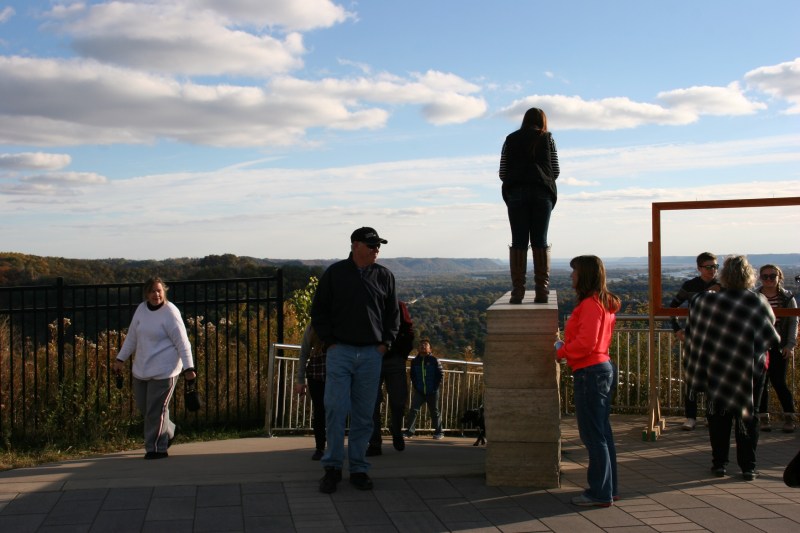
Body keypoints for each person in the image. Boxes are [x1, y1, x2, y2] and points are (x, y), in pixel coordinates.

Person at [310, 226, 400, 493]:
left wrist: (385, 345)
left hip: (372, 354)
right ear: (355, 245)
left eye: (378, 246)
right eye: (371, 245)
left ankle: (359, 469)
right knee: (336, 410)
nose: (376, 250)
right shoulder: (335, 274)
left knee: (363, 416)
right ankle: (333, 468)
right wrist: (331, 342)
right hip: (340, 352)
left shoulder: (384, 276)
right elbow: (319, 312)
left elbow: (392, 316)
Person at [684, 255, 779, 481]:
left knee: (718, 415)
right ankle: (748, 467)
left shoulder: (708, 301)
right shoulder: (756, 301)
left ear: (724, 275)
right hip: (749, 367)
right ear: (750, 275)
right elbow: (770, 334)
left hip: (717, 366)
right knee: (749, 415)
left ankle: (719, 464)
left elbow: (694, 316)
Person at [556, 255, 621, 507]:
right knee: (603, 433)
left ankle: (599, 493)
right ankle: (609, 488)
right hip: (600, 368)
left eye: (575, 272)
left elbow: (587, 343)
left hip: (591, 371)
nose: (571, 276)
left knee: (594, 436)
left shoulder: (591, 305)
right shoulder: (601, 303)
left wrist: (560, 351)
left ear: (585, 275)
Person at [113, 277, 196, 460]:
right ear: (146, 294)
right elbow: (132, 338)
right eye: (152, 291)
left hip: (165, 370)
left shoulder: (170, 312)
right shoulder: (141, 310)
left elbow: (183, 343)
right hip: (142, 368)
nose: (156, 295)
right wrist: (120, 359)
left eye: (159, 291)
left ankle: (156, 448)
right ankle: (171, 430)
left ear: (164, 291)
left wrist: (189, 368)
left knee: (156, 411)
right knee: (146, 409)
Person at [498, 107, 560, 304]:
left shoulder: (511, 139)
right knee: (540, 241)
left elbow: (502, 172)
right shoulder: (547, 137)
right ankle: (542, 290)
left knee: (519, 242)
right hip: (542, 193)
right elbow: (555, 170)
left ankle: (518, 292)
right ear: (542, 120)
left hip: (516, 193)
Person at [667, 252, 721, 430]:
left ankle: (711, 415)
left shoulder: (723, 285)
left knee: (714, 379)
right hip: (694, 337)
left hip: (717, 339)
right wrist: (677, 330)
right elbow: (672, 307)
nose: (712, 270)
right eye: (708, 267)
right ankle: (690, 417)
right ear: (699, 268)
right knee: (691, 378)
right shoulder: (690, 285)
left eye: (714, 266)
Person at [367, 300, 414, 456]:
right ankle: (374, 443)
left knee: (398, 401)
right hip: (374, 359)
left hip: (394, 360)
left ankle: (396, 429)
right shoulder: (369, 304)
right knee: (372, 403)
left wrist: (402, 354)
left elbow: (408, 328)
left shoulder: (398, 305)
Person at [756, 264, 797, 433]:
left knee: (779, 383)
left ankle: (789, 417)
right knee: (761, 383)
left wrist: (790, 345)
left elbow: (794, 322)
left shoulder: (788, 298)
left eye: (772, 276)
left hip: (780, 347)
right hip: (759, 347)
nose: (769, 279)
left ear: (779, 277)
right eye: (765, 276)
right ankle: (763, 418)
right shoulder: (755, 296)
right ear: (760, 278)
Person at [294, 323, 327, 460]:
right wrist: (300, 379)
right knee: (320, 410)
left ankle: (330, 446)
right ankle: (320, 446)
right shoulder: (312, 327)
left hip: (332, 372)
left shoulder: (338, 320)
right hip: (316, 373)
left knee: (333, 410)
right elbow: (304, 353)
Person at [403, 339, 445, 439]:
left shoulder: (434, 360)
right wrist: (416, 386)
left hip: (433, 391)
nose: (423, 346)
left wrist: (435, 387)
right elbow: (412, 375)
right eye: (421, 345)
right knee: (413, 410)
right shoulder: (415, 361)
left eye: (426, 345)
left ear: (430, 349)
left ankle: (439, 432)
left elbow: (440, 374)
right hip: (420, 391)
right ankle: (409, 432)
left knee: (434, 411)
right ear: (418, 348)